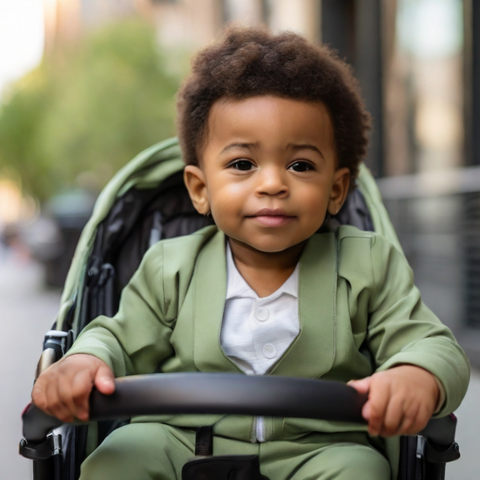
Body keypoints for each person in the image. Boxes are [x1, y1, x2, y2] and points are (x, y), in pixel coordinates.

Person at [32, 26, 470, 480]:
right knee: (117, 457)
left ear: (336, 189)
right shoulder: (169, 266)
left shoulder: (368, 265)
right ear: (200, 190)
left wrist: (417, 374)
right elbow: (118, 338)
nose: (273, 184)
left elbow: (431, 342)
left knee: (361, 469)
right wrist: (86, 361)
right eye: (243, 164)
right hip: (180, 441)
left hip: (320, 449)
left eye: (301, 165)